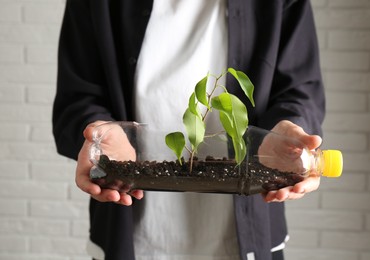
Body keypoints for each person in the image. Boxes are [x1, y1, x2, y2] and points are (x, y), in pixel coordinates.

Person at [52, 0, 325, 260]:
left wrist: (286, 130)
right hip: (131, 231)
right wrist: (99, 134)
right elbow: (77, 97)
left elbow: (299, 89)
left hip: (246, 233)